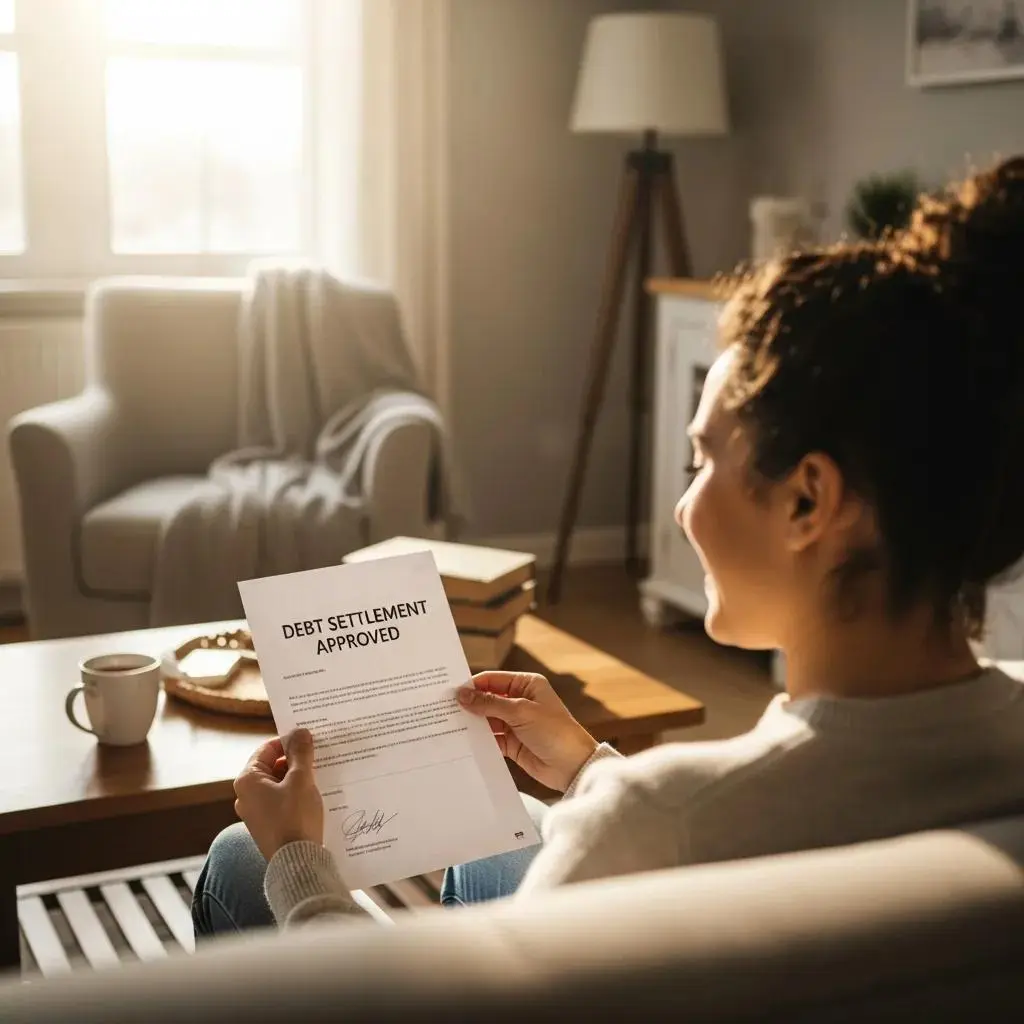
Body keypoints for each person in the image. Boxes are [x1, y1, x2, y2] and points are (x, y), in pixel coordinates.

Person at [193, 156, 1024, 938]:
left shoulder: (659, 824)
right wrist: (594, 769)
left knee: (243, 860)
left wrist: (301, 862)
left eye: (702, 462)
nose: (682, 507)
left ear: (808, 500)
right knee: (492, 833)